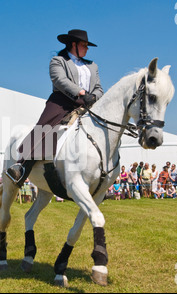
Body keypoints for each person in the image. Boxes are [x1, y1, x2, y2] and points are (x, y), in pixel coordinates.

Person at [6, 29, 104, 187]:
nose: (87, 48)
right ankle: (22, 166)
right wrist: (81, 92)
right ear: (74, 45)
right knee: (44, 128)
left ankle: (103, 176)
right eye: (84, 45)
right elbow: (60, 80)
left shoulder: (92, 66)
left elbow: (99, 87)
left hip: (88, 104)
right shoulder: (58, 61)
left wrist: (93, 97)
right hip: (63, 102)